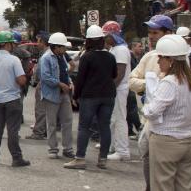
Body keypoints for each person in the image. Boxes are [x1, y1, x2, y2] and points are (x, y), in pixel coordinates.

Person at [143, 35, 191, 191]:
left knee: (162, 185)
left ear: (170, 60)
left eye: (160, 58)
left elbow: (152, 112)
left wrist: (145, 107)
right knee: (184, 186)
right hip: (187, 140)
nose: (158, 62)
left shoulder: (169, 82)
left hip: (166, 141)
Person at [129, 14, 177, 191]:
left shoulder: (180, 58)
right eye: (150, 32)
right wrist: (149, 85)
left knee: (167, 171)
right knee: (147, 158)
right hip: (149, 120)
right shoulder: (149, 57)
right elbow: (132, 80)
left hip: (169, 124)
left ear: (168, 33)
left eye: (155, 32)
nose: (151, 36)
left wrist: (156, 85)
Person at [65, 25, 117, 170]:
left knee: (84, 127)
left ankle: (80, 158)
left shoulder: (87, 56)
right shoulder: (111, 56)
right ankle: (103, 159)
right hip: (108, 95)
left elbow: (80, 79)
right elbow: (114, 75)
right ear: (101, 39)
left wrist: (75, 96)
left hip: (90, 96)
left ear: (87, 40)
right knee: (104, 126)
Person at [0, 31, 29, 167]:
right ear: (8, 45)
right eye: (12, 44)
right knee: (13, 130)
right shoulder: (14, 60)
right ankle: (16, 158)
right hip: (12, 99)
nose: (13, 46)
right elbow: (21, 80)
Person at [39, 33, 74, 159]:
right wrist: (60, 84)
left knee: (67, 121)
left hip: (64, 94)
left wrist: (69, 82)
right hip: (52, 95)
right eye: (63, 47)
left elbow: (64, 72)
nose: (64, 49)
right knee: (52, 123)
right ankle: (53, 149)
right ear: (56, 47)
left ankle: (68, 148)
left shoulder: (61, 57)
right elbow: (45, 77)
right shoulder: (46, 58)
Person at [102, 21, 132, 162]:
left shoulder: (120, 50)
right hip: (116, 88)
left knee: (119, 119)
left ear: (112, 35)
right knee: (113, 119)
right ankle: (113, 145)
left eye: (106, 35)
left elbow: (119, 74)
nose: (105, 38)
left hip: (119, 89)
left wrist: (110, 89)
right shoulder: (116, 48)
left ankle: (122, 150)